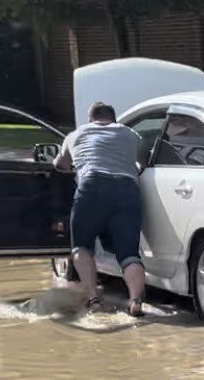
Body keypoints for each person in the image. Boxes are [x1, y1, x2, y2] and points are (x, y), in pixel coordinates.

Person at [54, 101, 147, 317]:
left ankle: (94, 299)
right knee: (129, 254)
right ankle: (135, 301)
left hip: (91, 188)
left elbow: (60, 164)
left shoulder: (75, 135)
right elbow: (144, 160)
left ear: (91, 119)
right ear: (113, 119)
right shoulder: (131, 134)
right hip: (127, 190)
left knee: (82, 247)